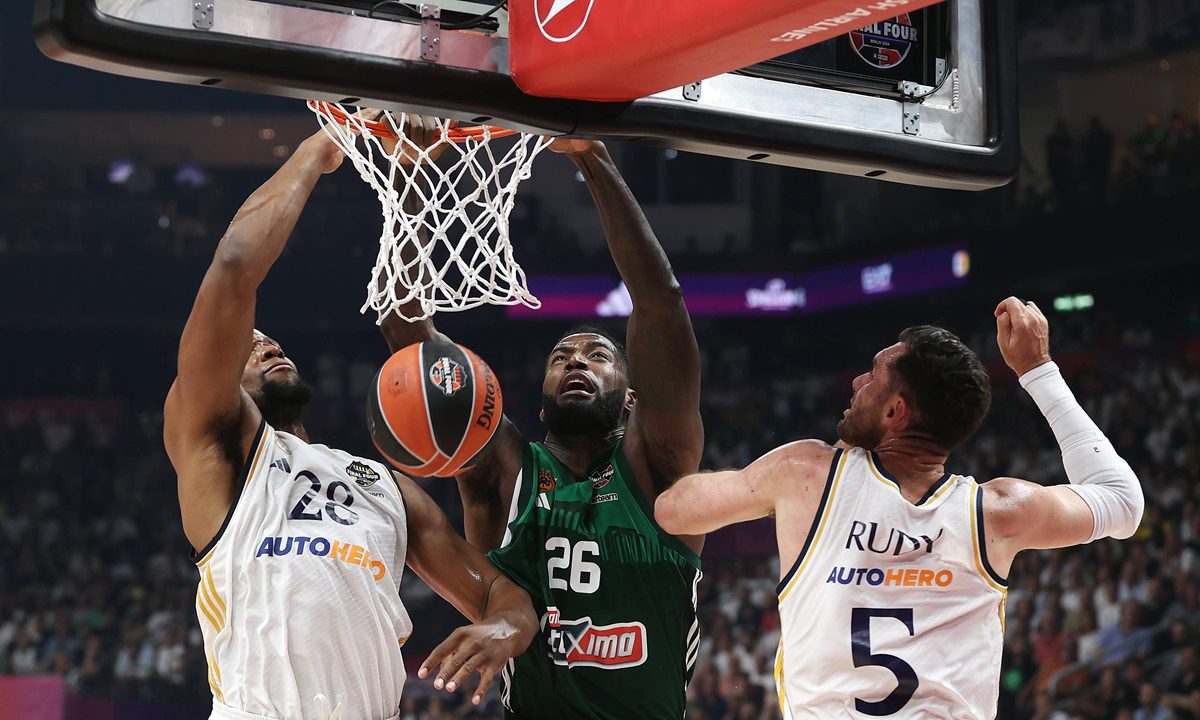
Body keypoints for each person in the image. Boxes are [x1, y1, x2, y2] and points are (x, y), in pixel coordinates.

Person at [163, 125, 537, 720]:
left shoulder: (384, 487)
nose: (266, 346)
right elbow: (234, 267)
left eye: (271, 341)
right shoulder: (220, 456)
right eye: (248, 348)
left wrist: (505, 627)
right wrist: (320, 148)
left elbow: (499, 592)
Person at [655, 298, 1144, 718]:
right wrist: (1038, 369)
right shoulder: (996, 512)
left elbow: (674, 511)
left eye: (872, 376)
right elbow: (1123, 500)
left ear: (894, 412)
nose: (856, 382)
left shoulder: (806, 474)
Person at [378, 121, 703, 719]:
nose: (575, 361)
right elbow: (405, 328)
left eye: (598, 356)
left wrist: (591, 154)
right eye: (560, 358)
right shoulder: (504, 470)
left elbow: (661, 302)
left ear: (633, 397)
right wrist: (412, 177)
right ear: (540, 400)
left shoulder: (660, 468)